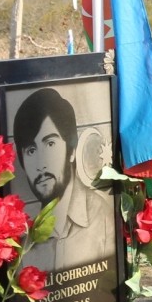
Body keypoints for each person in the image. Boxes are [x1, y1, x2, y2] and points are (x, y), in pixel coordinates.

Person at [11, 87, 114, 272]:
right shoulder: (22, 238)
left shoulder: (104, 219)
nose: (41, 164)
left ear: (71, 150)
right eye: (31, 151)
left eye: (50, 144)